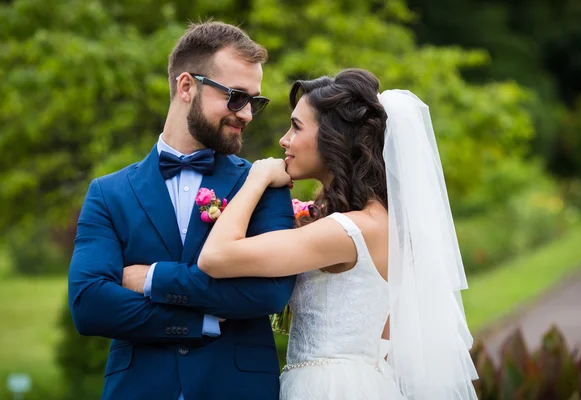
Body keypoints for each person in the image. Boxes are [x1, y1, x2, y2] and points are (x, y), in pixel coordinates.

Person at [195, 69, 479, 399]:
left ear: (334, 139)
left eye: (297, 127)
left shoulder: (347, 232)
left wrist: (256, 179)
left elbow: (215, 257)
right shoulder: (379, 223)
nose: (284, 140)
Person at [68, 21, 296, 400]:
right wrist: (200, 320)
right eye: (236, 97)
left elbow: (269, 292)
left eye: (255, 102)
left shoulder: (263, 183)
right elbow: (90, 304)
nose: (247, 115)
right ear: (187, 86)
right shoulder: (108, 193)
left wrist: (154, 279)